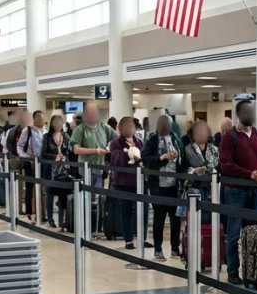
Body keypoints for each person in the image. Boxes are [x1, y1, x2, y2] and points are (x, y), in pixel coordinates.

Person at [218, 100, 257, 285]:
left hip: (255, 191)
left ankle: (253, 270)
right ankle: (233, 271)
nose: (251, 114)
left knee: (254, 233)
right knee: (234, 234)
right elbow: (226, 165)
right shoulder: (229, 137)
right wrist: (249, 174)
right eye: (247, 111)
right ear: (239, 114)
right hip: (235, 191)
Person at [68, 103, 118, 237]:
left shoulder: (103, 127)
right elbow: (76, 149)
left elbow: (116, 138)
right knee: (87, 200)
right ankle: (86, 229)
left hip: (99, 169)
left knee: (97, 200)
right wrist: (95, 150)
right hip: (86, 169)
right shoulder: (80, 130)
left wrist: (109, 145)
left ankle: (96, 228)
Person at [144, 114, 183, 260]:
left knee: (175, 219)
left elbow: (182, 160)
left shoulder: (176, 139)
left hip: (174, 186)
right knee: (159, 219)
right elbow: (146, 159)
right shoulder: (152, 140)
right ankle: (158, 249)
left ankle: (175, 248)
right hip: (158, 186)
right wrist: (163, 158)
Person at [108, 117, 142, 249]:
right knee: (126, 211)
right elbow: (115, 159)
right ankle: (128, 239)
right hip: (123, 183)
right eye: (126, 126)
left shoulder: (139, 142)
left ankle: (142, 237)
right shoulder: (116, 143)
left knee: (141, 211)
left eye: (131, 125)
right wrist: (128, 154)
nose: (129, 128)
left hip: (138, 182)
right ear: (120, 128)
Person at [179, 119, 218, 203]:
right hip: (194, 188)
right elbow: (183, 168)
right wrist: (194, 171)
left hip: (212, 189)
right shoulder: (187, 149)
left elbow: (218, 166)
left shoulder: (214, 149)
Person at [42, 115, 70, 228]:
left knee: (63, 194)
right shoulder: (47, 137)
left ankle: (62, 220)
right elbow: (43, 154)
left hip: (63, 169)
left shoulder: (66, 136)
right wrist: (54, 157)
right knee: (50, 194)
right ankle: (50, 218)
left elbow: (69, 150)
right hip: (50, 169)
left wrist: (64, 155)